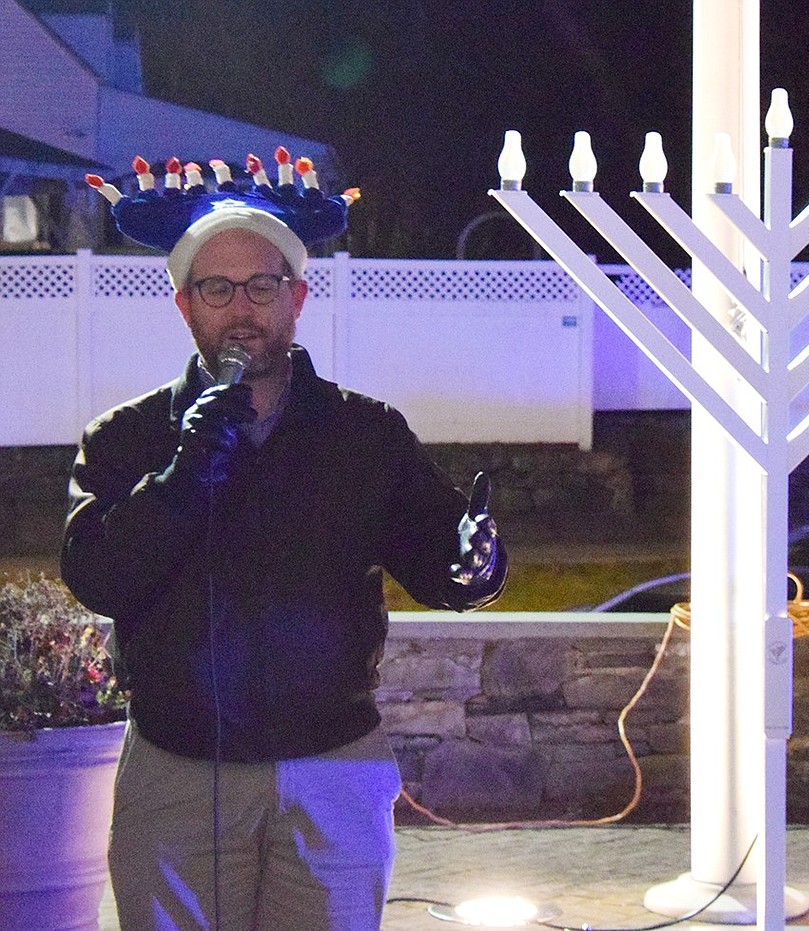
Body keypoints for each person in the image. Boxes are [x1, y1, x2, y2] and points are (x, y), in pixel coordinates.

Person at [63, 154, 507, 930]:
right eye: (217, 288)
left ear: (297, 296)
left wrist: (477, 565)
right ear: (184, 306)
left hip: (333, 765)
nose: (242, 309)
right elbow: (99, 575)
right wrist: (187, 467)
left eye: (262, 285)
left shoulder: (365, 434)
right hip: (177, 769)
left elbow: (442, 559)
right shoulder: (126, 439)